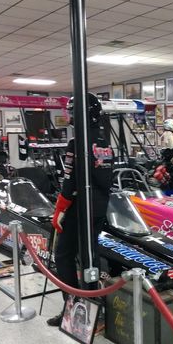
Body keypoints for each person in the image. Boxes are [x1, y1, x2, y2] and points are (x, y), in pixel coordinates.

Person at [47, 93, 115, 327]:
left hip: (79, 208)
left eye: (72, 112)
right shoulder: (105, 142)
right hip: (100, 206)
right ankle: (94, 304)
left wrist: (59, 209)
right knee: (90, 254)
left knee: (63, 255)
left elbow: (69, 182)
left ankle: (73, 306)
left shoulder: (76, 143)